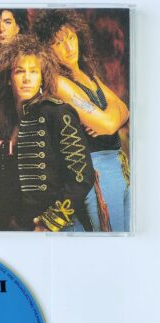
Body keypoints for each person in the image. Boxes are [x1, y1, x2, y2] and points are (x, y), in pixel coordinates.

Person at [32, 10, 130, 231]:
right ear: (46, 49)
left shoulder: (87, 75)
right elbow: (109, 123)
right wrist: (111, 118)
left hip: (118, 166)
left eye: (70, 37)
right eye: (58, 43)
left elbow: (124, 109)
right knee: (111, 239)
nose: (69, 47)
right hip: (98, 170)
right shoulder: (58, 82)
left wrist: (110, 118)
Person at [0, 35, 95, 231]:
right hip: (21, 226)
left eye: (34, 71)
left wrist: (49, 222)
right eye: (20, 71)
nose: (27, 78)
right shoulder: (4, 120)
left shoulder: (57, 112)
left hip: (59, 228)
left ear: (42, 78)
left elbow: (82, 177)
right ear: (8, 79)